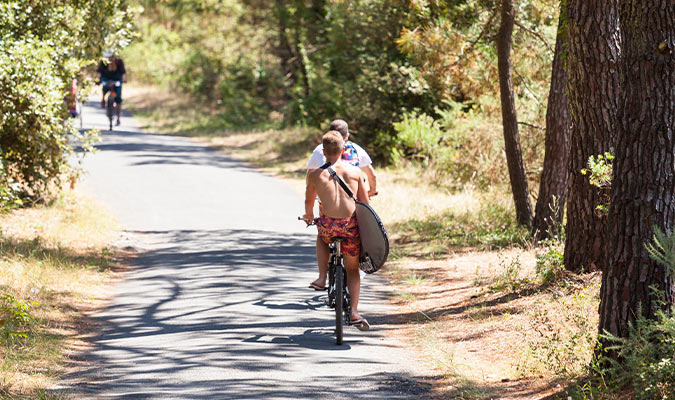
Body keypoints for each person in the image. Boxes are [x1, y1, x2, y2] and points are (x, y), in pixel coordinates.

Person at [303, 131, 371, 330]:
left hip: (329, 227)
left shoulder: (315, 175)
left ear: (323, 152)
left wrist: (308, 216)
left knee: (321, 235)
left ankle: (322, 277)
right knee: (352, 269)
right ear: (343, 150)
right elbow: (365, 205)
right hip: (350, 228)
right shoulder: (356, 173)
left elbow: (309, 202)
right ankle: (355, 311)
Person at [306, 119, 377, 197]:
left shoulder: (320, 149)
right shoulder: (356, 149)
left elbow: (310, 174)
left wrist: (311, 191)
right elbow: (372, 175)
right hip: (353, 194)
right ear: (347, 136)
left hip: (328, 195)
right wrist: (372, 191)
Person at [97, 51, 127, 126]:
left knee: (118, 99)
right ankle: (103, 99)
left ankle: (118, 118)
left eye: (110, 57)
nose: (109, 59)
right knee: (105, 87)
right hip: (106, 79)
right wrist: (97, 79)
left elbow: (123, 73)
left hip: (117, 79)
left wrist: (124, 79)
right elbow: (99, 72)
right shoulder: (103, 62)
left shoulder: (119, 62)